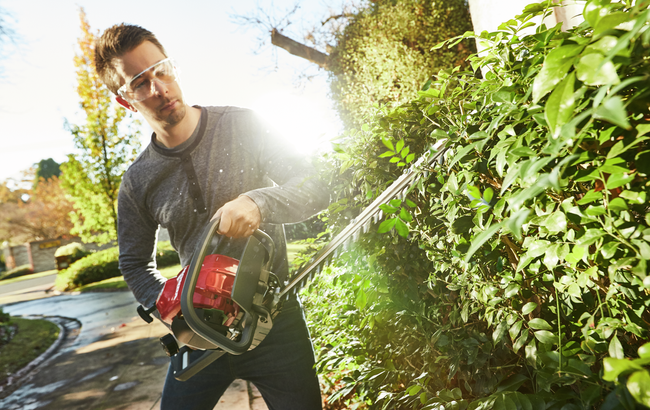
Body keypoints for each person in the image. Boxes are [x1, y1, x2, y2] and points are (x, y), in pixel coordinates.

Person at [94, 23, 329, 410]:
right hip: (200, 330)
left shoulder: (243, 125)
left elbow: (316, 184)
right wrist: (172, 309)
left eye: (162, 70)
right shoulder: (137, 182)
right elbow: (134, 263)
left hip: (276, 321)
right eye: (140, 82)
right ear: (125, 100)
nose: (160, 88)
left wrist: (259, 203)